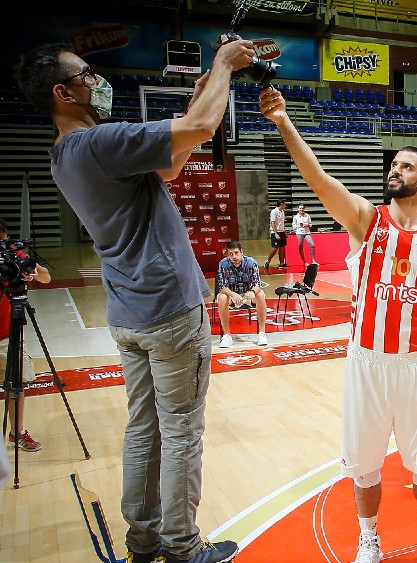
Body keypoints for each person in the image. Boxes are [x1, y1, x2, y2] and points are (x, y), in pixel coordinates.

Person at [14, 38, 254, 563]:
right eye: (84, 74)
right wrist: (221, 68)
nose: (95, 81)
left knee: (144, 430)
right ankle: (184, 547)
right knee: (182, 432)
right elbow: (203, 130)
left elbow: (169, 166)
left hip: (129, 312)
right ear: (62, 91)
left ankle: (143, 544)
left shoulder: (66, 155)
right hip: (170, 308)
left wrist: (197, 102)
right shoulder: (100, 143)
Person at [260, 88, 417, 563]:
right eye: (393, 164)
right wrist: (285, 122)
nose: (396, 169)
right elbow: (318, 179)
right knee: (365, 464)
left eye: (407, 166)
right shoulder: (366, 220)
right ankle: (369, 539)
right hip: (367, 362)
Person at [1, 218, 51, 453]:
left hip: (7, 334)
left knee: (17, 384)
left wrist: (30, 273)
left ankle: (17, 432)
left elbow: (46, 277)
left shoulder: (15, 255)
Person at [215, 240, 267, 348]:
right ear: (228, 254)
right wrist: (233, 294)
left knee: (260, 295)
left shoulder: (251, 262)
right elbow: (222, 287)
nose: (234, 256)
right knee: (222, 297)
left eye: (236, 253)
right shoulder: (223, 264)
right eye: (231, 254)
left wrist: (252, 292)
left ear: (241, 252)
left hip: (248, 295)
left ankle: (262, 333)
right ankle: (227, 335)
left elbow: (258, 284)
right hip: (232, 296)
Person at [265, 200, 288, 268]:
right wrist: (275, 233)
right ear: (281, 204)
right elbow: (273, 222)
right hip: (276, 232)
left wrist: (284, 231)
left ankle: (281, 263)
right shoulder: (274, 211)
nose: (285, 206)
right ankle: (268, 261)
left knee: (282, 247)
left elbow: (282, 223)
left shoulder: (282, 212)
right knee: (275, 247)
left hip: (282, 231)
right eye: (284, 204)